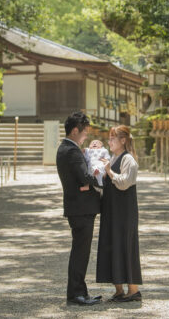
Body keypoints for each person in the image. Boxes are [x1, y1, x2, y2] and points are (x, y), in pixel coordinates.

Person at [55, 112, 102, 306]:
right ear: (75, 131)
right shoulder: (72, 151)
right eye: (84, 133)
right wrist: (100, 180)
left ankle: (80, 291)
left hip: (77, 207)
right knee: (80, 253)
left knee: (81, 252)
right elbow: (84, 177)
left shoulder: (65, 149)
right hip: (81, 208)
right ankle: (76, 294)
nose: (86, 137)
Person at [96, 125, 143, 302]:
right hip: (112, 210)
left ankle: (133, 289)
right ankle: (118, 289)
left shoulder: (128, 159)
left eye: (113, 138)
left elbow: (124, 183)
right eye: (109, 138)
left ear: (123, 140)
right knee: (112, 244)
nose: (109, 142)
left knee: (126, 245)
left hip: (124, 212)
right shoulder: (113, 157)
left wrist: (109, 171)